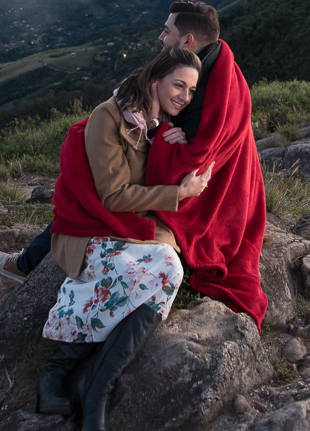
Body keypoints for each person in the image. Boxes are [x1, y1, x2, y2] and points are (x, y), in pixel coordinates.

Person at [0, 0, 267, 331]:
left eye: (167, 31)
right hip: (169, 173)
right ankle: (26, 262)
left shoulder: (210, 87)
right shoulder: (214, 68)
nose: (160, 38)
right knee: (98, 168)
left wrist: (160, 135)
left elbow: (185, 161)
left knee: (94, 193)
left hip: (184, 196)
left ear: (187, 41)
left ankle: (28, 266)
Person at [37, 47, 213, 430]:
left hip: (124, 227)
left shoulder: (157, 122)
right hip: (88, 228)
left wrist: (168, 140)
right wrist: (180, 193)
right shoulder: (110, 117)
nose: (185, 96)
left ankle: (95, 383)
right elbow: (113, 195)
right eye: (178, 85)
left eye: (192, 89)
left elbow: (150, 171)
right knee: (165, 272)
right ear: (155, 82)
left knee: (165, 269)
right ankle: (60, 372)